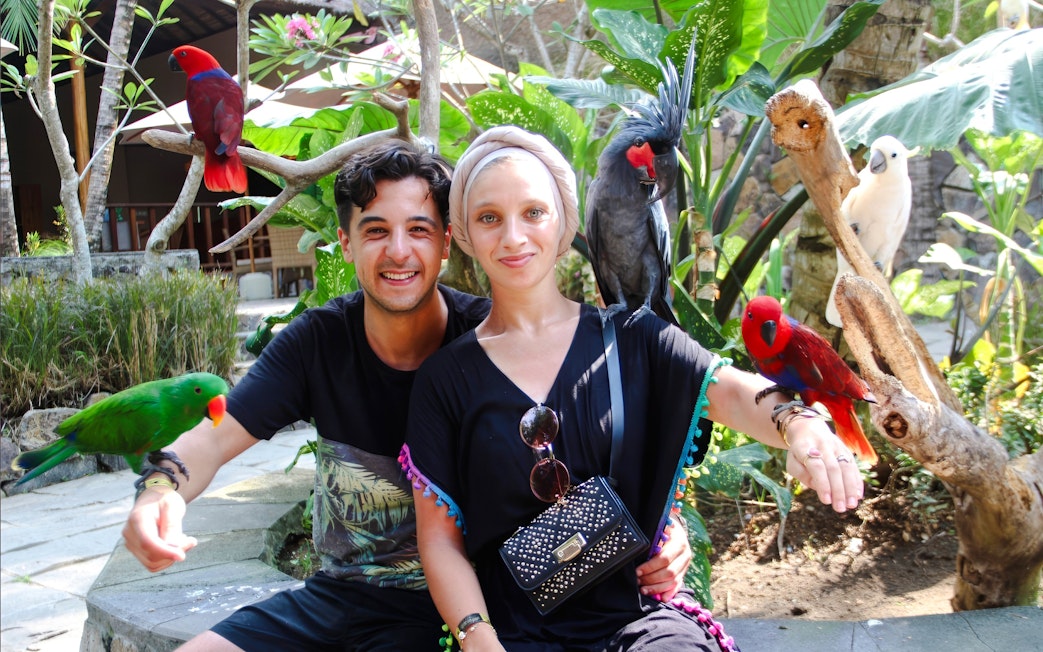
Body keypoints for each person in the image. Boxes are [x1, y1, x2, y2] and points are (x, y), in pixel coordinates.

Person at [121, 139, 692, 652]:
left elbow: (600, 449)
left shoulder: (492, 346)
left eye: (419, 229)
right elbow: (212, 441)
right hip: (338, 597)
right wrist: (160, 492)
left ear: (447, 242)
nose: (398, 251)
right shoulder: (317, 343)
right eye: (375, 230)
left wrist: (668, 530)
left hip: (457, 614)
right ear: (344, 243)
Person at [402, 126, 865, 651]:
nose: (513, 237)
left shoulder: (632, 337)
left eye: (533, 213)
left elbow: (732, 390)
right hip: (508, 629)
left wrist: (799, 423)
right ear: (463, 230)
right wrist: (477, 638)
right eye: (490, 218)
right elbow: (439, 542)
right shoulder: (444, 380)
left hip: (635, 617)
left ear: (562, 224)